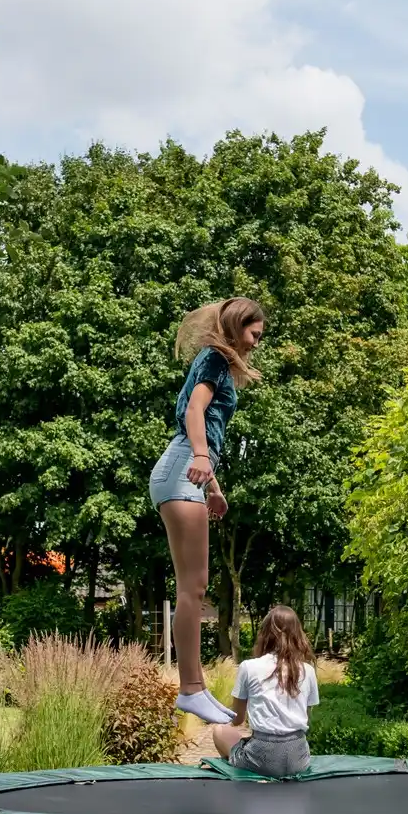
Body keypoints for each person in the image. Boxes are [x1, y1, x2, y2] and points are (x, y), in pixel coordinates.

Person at [150, 297, 266, 724]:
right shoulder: (216, 359)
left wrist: (212, 485)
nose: (257, 343)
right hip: (183, 467)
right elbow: (195, 412)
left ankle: (193, 687)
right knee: (193, 588)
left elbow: (202, 426)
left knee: (193, 588)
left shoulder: (212, 361)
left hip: (183, 471)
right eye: (254, 334)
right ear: (238, 327)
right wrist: (202, 458)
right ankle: (191, 688)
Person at [212, 604, 319, 778]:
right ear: (298, 635)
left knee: (219, 731)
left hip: (261, 758)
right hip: (298, 759)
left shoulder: (249, 667)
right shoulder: (308, 670)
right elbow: (306, 716)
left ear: (264, 635)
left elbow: (237, 720)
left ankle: (242, 781)